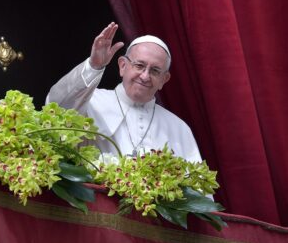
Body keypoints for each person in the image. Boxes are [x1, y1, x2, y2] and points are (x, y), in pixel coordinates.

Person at [46, 22, 201, 163]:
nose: (145, 76)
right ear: (122, 66)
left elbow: (197, 190)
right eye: (139, 65)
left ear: (164, 80)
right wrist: (94, 66)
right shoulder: (90, 101)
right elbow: (56, 107)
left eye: (155, 71)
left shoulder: (179, 128)